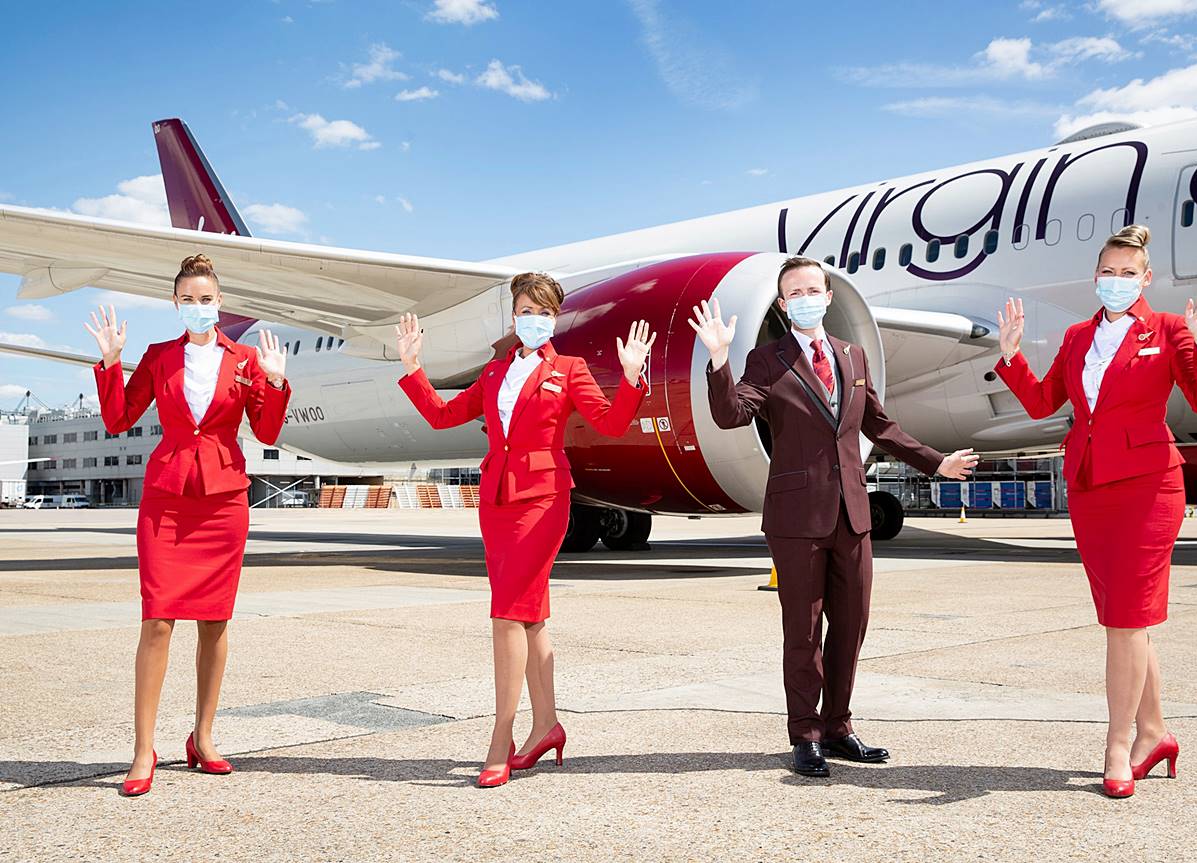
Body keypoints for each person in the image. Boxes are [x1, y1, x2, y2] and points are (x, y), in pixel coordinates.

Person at [691, 256, 978, 777]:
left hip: (853, 515)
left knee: (850, 627)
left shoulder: (854, 356)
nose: (805, 298)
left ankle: (839, 726)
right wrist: (718, 361)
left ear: (827, 296)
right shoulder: (766, 359)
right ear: (782, 304)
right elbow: (730, 413)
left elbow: (882, 427)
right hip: (796, 518)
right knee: (802, 633)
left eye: (813, 289)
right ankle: (804, 734)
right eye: (793, 292)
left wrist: (938, 462)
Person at [994, 225, 1197, 798]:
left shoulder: (1170, 329)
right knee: (1127, 620)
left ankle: (1119, 745)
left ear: (1145, 279)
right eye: (1109, 272)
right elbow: (1047, 402)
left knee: (1124, 620)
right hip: (1091, 489)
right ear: (1095, 277)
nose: (1117, 282)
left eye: (1129, 274)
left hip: (1149, 488)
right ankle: (1155, 732)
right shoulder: (1078, 336)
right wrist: (1011, 357)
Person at [396, 272, 654, 787]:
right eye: (525, 311)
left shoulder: (570, 369)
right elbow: (444, 417)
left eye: (543, 312)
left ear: (554, 318)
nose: (534, 320)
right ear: (512, 316)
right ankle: (546, 727)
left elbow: (609, 422)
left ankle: (500, 736)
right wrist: (413, 368)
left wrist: (630, 378)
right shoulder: (494, 373)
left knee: (506, 615)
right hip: (496, 502)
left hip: (543, 501)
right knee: (529, 616)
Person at [86, 254, 291, 796]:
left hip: (223, 502)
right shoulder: (158, 358)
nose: (198, 307)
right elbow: (118, 419)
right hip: (168, 498)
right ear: (175, 304)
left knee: (214, 622)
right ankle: (142, 749)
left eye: (207, 299)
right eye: (188, 299)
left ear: (219, 304)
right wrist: (110, 364)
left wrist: (275, 382)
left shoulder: (245, 358)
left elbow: (267, 433)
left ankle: (203, 738)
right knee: (157, 620)